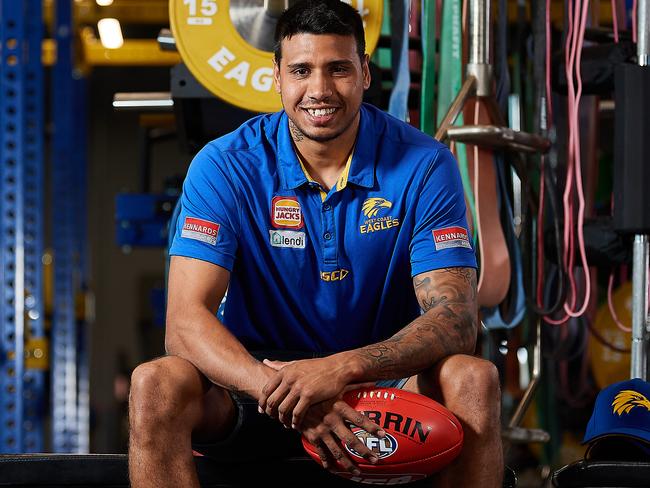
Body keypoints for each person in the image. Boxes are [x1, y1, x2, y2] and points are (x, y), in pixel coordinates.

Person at [128, 1, 503, 487]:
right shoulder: (224, 165)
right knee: (155, 384)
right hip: (257, 394)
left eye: (338, 69)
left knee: (474, 379)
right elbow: (183, 324)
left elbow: (456, 320)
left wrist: (340, 370)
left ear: (365, 74)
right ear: (277, 76)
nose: (319, 90)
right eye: (301, 70)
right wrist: (287, 389)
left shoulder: (425, 165)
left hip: (382, 397)